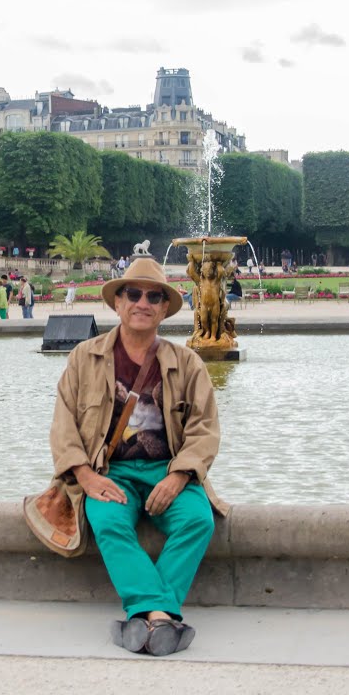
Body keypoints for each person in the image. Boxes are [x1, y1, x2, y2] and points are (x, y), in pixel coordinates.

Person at [47, 256, 226, 657]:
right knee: (107, 521)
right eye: (133, 294)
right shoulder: (83, 358)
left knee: (198, 521)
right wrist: (86, 477)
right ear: (118, 303)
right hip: (111, 471)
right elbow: (63, 426)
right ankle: (161, 616)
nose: (142, 302)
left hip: (168, 470)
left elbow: (204, 430)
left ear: (164, 307)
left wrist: (179, 476)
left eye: (153, 296)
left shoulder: (188, 364)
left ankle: (142, 614)